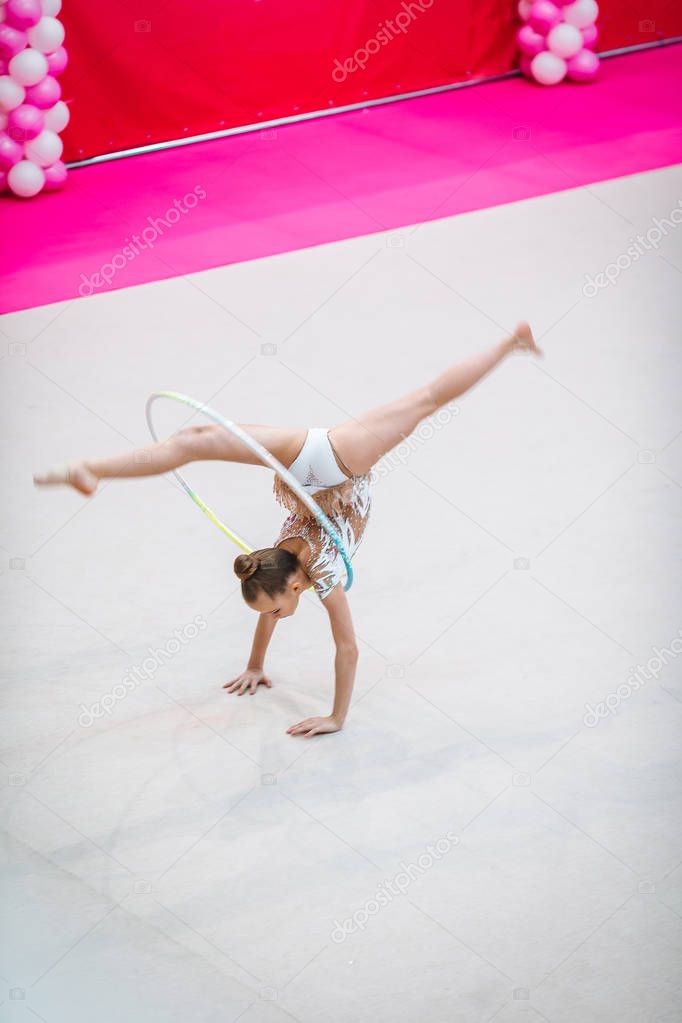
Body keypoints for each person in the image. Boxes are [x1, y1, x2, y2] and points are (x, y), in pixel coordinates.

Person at [34, 323, 542, 736]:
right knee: (192, 438)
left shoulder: (318, 575)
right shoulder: (279, 566)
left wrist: (336, 717)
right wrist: (255, 665)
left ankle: (508, 343)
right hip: (303, 464)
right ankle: (91, 469)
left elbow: (347, 648)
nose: (274, 615)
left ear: (293, 585)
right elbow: (275, 609)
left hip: (340, 462)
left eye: (274, 608)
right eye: (270, 609)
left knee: (427, 399)